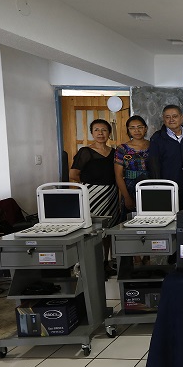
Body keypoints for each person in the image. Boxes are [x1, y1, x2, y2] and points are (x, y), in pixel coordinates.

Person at [70, 118, 119, 277]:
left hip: (111, 194)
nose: (100, 133)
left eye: (104, 130)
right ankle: (91, 264)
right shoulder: (85, 151)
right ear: (92, 133)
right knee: (93, 229)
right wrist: (91, 186)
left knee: (108, 228)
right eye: (96, 130)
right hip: (92, 195)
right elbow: (73, 174)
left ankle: (105, 262)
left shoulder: (114, 152)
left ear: (109, 133)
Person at [148, 105, 183, 209]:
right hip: (167, 188)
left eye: (175, 116)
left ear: (181, 117)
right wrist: (158, 188)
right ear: (163, 119)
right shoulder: (157, 139)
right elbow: (154, 166)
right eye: (167, 117)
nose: (171, 120)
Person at [114, 115, 150, 218]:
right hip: (130, 188)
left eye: (140, 127)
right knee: (130, 219)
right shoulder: (122, 149)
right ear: (128, 130)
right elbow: (118, 175)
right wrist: (126, 197)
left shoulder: (153, 145)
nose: (136, 130)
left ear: (145, 128)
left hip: (150, 186)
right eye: (132, 128)